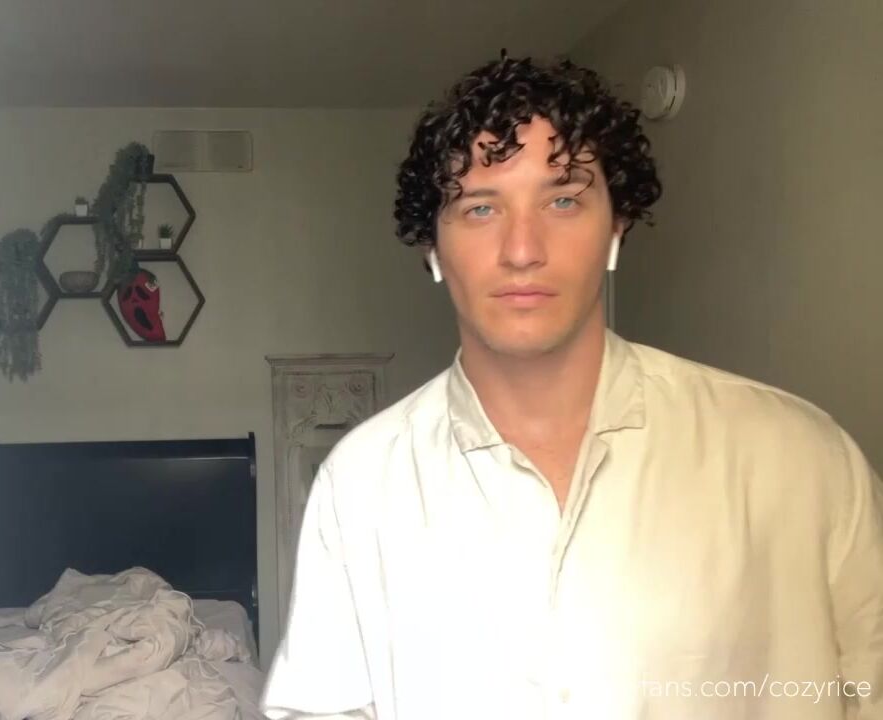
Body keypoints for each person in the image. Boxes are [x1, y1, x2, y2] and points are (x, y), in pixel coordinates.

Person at [259, 52, 883, 720]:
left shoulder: (799, 457)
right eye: (479, 208)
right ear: (431, 249)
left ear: (615, 228)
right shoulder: (361, 485)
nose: (522, 249)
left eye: (562, 200)